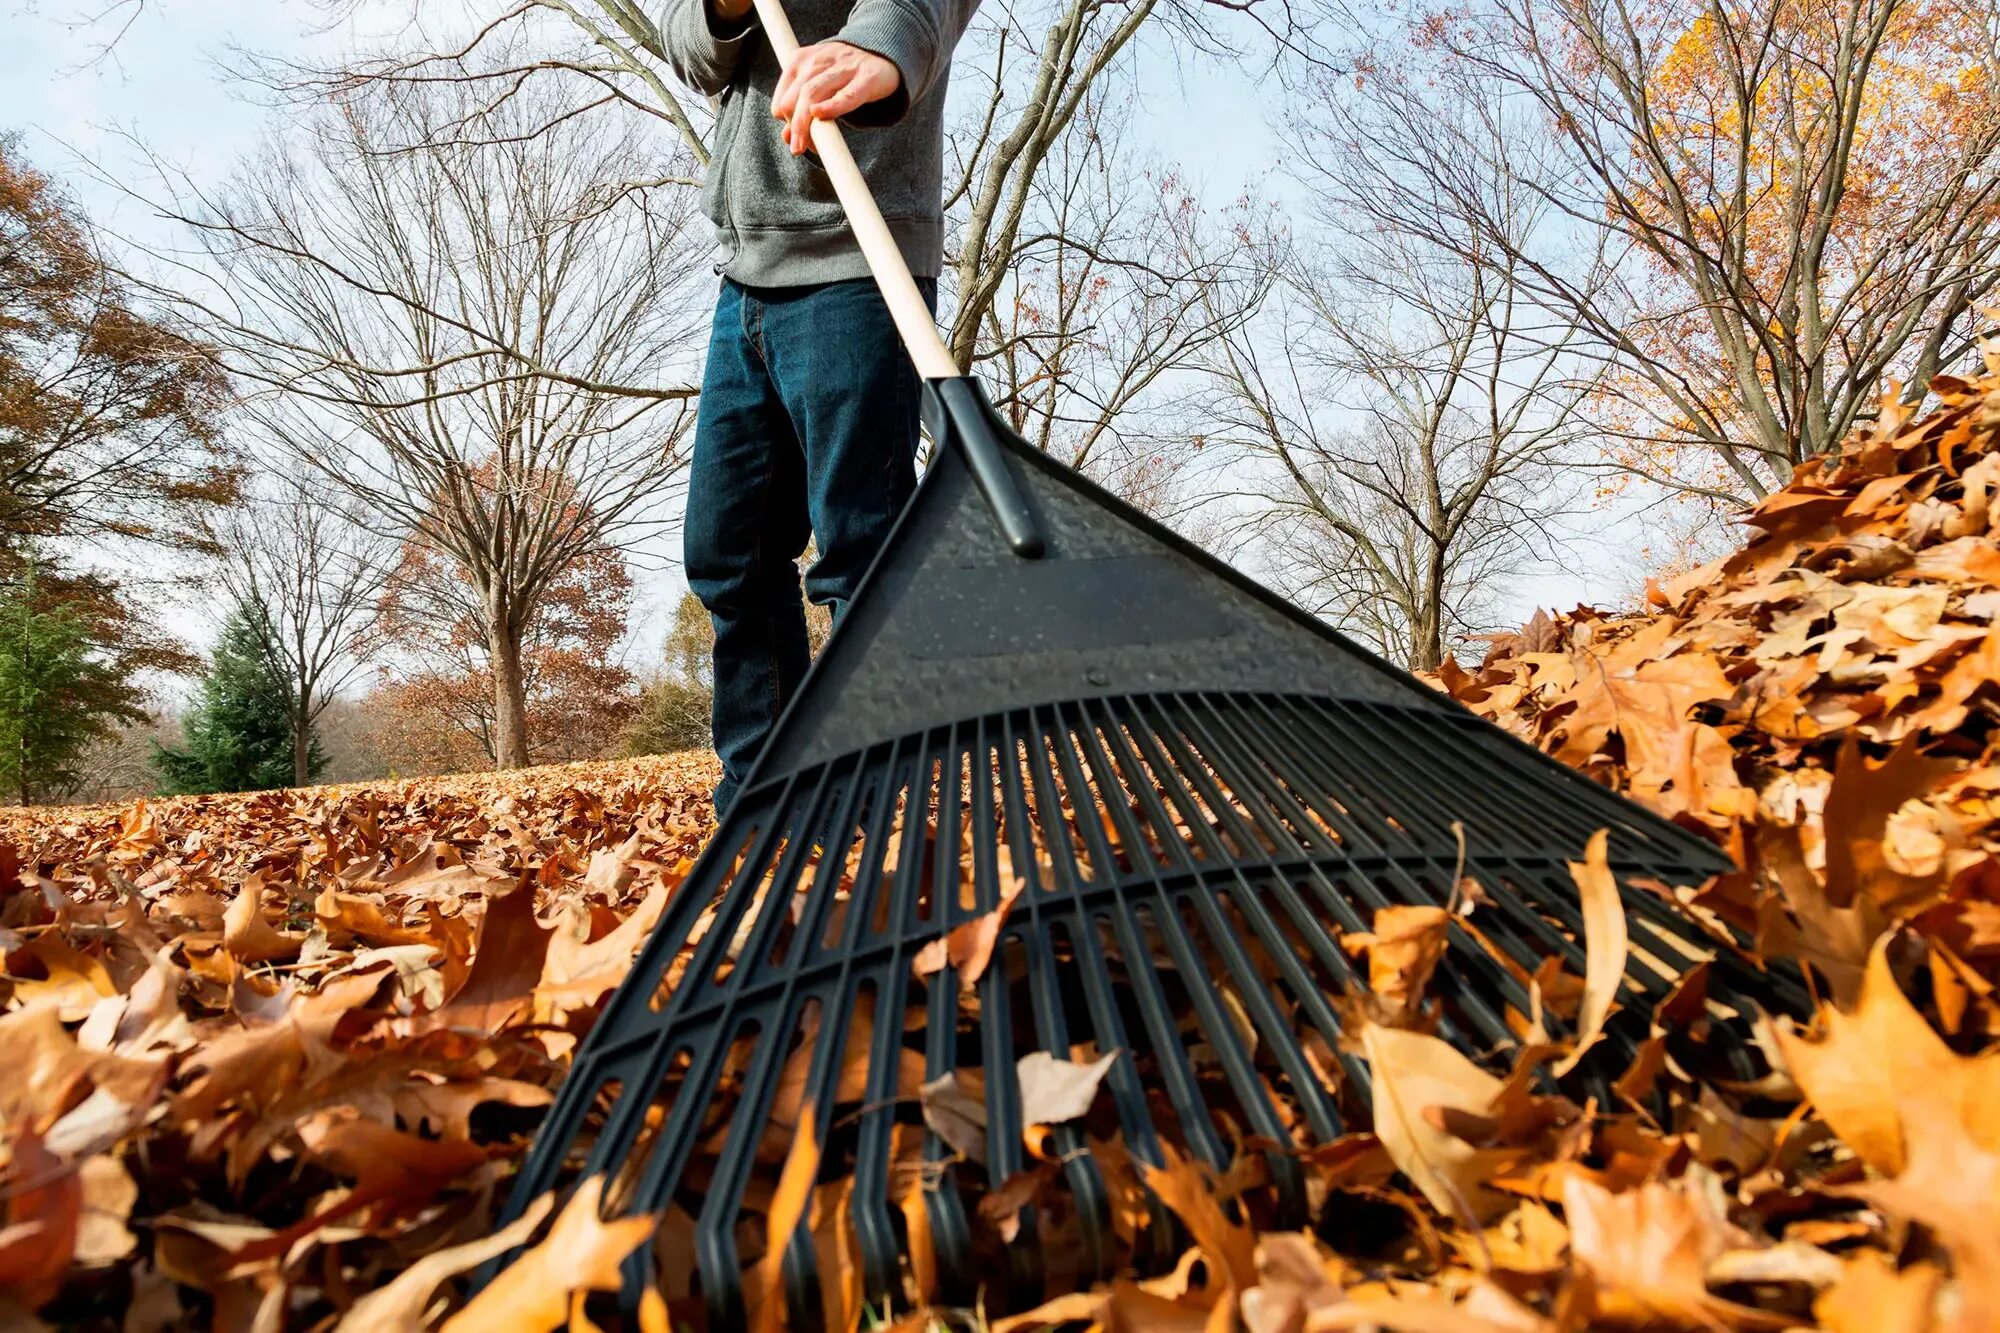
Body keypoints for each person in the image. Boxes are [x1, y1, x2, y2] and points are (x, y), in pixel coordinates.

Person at [662, 0, 979, 815]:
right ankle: (764, 800)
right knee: (728, 552)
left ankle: (884, 806)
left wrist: (883, 42)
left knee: (860, 550)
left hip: (856, 251)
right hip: (745, 270)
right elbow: (693, 52)